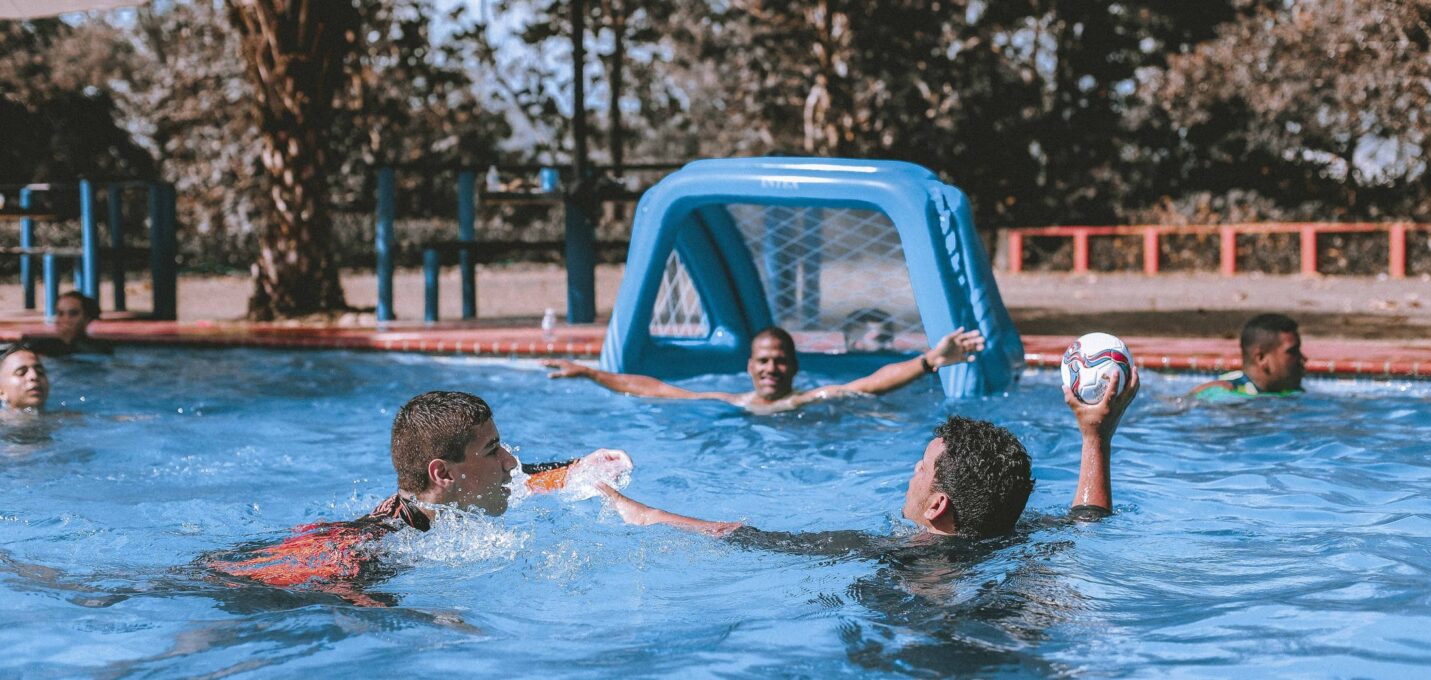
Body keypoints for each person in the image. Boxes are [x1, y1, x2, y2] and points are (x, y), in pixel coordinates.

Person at [598, 368, 1140, 542]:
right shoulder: (1018, 534)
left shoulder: (898, 557)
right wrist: (1096, 435)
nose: (912, 470)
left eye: (922, 467)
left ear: (937, 506)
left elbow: (750, 537)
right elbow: (1088, 520)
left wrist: (645, 512)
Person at [209, 391, 627, 602]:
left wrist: (578, 466)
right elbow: (333, 595)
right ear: (442, 473)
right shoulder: (383, 541)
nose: (511, 461)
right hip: (248, 586)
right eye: (491, 450)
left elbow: (524, 479)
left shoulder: (447, 500)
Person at [544, 326, 985, 413]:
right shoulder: (731, 401)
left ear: (793, 367)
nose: (771, 367)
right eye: (763, 360)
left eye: (779, 360)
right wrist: (589, 372)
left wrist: (931, 360)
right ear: (749, 367)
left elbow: (868, 384)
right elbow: (655, 389)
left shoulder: (812, 399)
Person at [1189, 313, 1306, 398]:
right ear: (1261, 358)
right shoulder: (1222, 392)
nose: (1303, 359)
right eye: (1292, 351)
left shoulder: (1290, 393)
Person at [25, 291, 112, 357]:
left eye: (73, 313)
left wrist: (70, 342)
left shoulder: (101, 347)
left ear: (87, 318)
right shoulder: (45, 345)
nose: (66, 319)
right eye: (60, 314)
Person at [0, 342, 50, 412]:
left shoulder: (65, 417)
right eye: (21, 373)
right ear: (1, 392)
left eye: (40, 372)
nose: (34, 376)